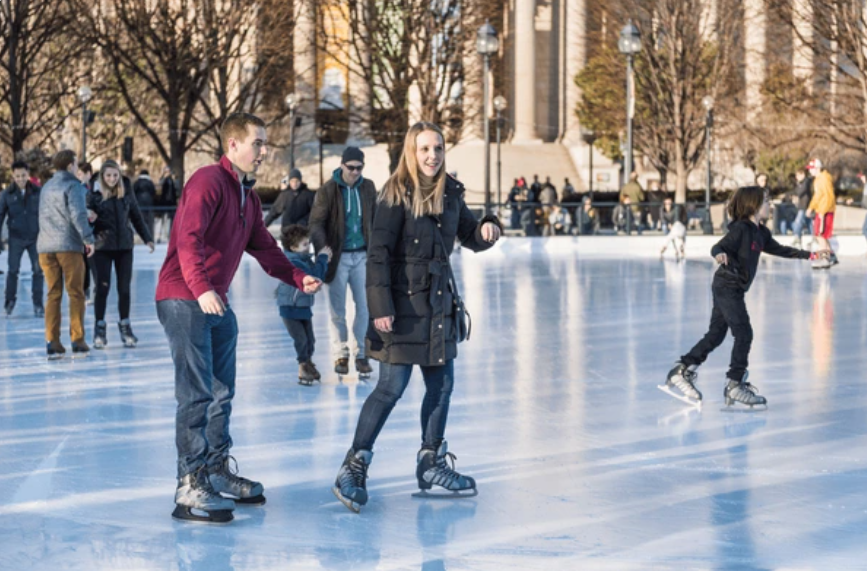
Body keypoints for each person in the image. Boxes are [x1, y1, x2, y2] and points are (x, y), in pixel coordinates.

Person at [155, 113, 322, 524]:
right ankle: (189, 483)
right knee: (195, 393)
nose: (264, 152)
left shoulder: (247, 198)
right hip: (184, 296)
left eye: (266, 144)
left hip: (214, 302)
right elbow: (187, 237)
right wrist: (202, 287)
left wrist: (298, 276)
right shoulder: (207, 181)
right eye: (258, 143)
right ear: (233, 145)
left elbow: (265, 249)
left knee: (221, 391)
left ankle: (214, 470)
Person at [331, 121, 502, 513]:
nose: (432, 156)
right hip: (401, 309)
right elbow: (378, 255)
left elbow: (472, 236)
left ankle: (431, 461)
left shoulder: (451, 193)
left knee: (441, 387)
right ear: (412, 152)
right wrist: (380, 308)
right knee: (390, 389)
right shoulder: (394, 195)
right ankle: (353, 464)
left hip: (439, 306)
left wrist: (491, 225)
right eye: (425, 149)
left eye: (438, 148)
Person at [660, 186, 829, 410]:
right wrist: (719, 254)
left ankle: (681, 369)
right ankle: (734, 384)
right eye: (766, 201)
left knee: (716, 335)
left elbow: (780, 249)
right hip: (727, 285)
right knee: (744, 333)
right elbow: (718, 245)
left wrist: (811, 255)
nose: (770, 206)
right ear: (754, 205)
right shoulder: (741, 229)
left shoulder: (761, 232)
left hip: (733, 288)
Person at [309, 146, 378, 378]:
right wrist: (323, 248)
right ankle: (341, 352)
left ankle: (361, 353)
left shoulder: (368, 188)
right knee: (337, 309)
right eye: (351, 168)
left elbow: (376, 218)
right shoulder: (328, 191)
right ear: (342, 165)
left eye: (360, 168)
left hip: (362, 256)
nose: (355, 172)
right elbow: (316, 222)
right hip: (337, 257)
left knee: (365, 306)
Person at [87, 160, 155, 349]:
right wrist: (89, 221)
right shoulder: (94, 193)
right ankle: (99, 328)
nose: (112, 179)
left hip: (124, 246)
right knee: (102, 288)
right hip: (102, 247)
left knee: (124, 289)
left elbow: (135, 214)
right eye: (108, 175)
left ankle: (125, 326)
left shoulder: (126, 189)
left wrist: (147, 237)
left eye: (115, 175)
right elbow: (86, 220)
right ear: (103, 176)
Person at [37, 150, 95, 360]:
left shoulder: (46, 187)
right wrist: (88, 239)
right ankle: (77, 339)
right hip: (68, 246)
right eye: (76, 164)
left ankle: (52, 341)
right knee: (75, 293)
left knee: (53, 293)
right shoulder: (74, 186)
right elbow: (78, 215)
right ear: (71, 165)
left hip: (46, 247)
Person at [276, 225, 331, 385]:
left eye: (308, 243)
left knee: (310, 340)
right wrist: (322, 258)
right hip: (290, 308)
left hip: (303, 307)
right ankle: (303, 367)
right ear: (293, 247)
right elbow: (315, 277)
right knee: (301, 339)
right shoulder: (293, 262)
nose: (308, 247)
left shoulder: (304, 259)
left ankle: (308, 363)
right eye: (305, 245)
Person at [0, 160, 43, 317]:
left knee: (38, 271)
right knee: (12, 270)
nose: (20, 179)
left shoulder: (38, 192)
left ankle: (38, 304)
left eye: (23, 175)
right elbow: (0, 216)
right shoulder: (7, 194)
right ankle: (9, 302)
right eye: (17, 176)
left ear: (28, 174)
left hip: (35, 237)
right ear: (13, 176)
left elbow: (46, 214)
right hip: (16, 237)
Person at [806, 158, 838, 269]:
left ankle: (825, 259)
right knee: (821, 236)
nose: (810, 171)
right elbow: (817, 196)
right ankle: (831, 256)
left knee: (820, 236)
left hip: (825, 211)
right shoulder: (818, 179)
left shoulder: (824, 179)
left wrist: (823, 212)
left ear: (818, 168)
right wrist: (811, 207)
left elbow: (829, 196)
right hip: (821, 210)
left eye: (812, 168)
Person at [133, 169, 157, 239]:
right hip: (149, 203)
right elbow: (153, 192)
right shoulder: (150, 182)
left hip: (139, 203)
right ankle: (150, 236)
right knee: (149, 221)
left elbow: (133, 192)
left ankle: (139, 236)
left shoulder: (137, 182)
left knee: (140, 220)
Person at [792, 168, 813, 246]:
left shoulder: (806, 182)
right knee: (809, 222)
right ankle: (813, 237)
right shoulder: (801, 183)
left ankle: (797, 237)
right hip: (803, 205)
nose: (796, 177)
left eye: (797, 175)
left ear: (802, 175)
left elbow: (800, 192)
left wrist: (796, 194)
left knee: (797, 222)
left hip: (804, 206)